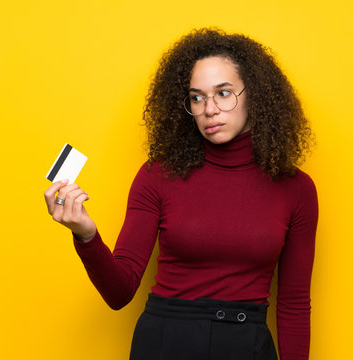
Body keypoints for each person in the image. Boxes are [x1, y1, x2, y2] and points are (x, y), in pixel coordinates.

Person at [44, 28, 318, 360]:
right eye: (197, 97)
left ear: (254, 94)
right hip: (164, 343)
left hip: (247, 346)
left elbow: (293, 303)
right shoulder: (157, 176)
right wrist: (86, 235)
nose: (209, 109)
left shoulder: (296, 189)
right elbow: (120, 292)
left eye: (224, 92)